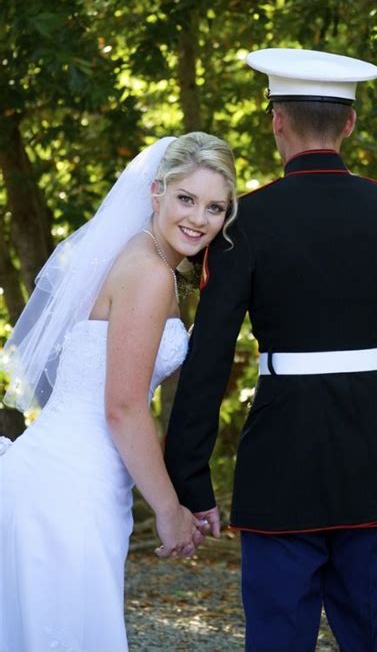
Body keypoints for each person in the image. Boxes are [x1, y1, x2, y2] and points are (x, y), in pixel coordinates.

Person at [164, 49, 377, 652]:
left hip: (281, 459)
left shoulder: (247, 220)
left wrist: (190, 482)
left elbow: (209, 355)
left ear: (276, 121)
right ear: (348, 123)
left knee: (277, 637)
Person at [0, 132, 237, 652]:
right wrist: (170, 511)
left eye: (215, 207)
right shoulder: (150, 274)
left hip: (66, 474)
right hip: (69, 489)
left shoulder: (136, 257)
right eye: (186, 199)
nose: (199, 218)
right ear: (156, 192)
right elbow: (124, 407)